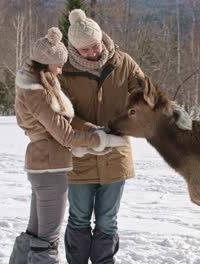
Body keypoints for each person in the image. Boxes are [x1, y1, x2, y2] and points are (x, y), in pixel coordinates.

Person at [9, 27, 126, 264]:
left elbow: (63, 126)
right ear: (46, 64)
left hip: (43, 165)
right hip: (50, 169)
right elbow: (65, 136)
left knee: (36, 233)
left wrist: (92, 132)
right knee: (48, 239)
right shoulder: (37, 93)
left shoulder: (36, 85)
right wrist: (102, 140)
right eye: (58, 65)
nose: (61, 70)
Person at [59, 9, 144, 264]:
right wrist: (91, 131)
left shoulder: (123, 62)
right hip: (80, 154)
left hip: (115, 155)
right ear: (74, 48)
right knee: (78, 218)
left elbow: (143, 93)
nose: (93, 52)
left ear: (101, 38)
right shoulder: (64, 71)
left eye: (94, 46)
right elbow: (62, 113)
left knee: (108, 220)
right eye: (85, 50)